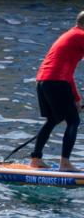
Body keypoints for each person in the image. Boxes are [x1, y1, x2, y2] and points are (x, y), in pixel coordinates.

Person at [29, 12, 84, 172]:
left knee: (53, 119)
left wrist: (76, 98)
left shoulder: (70, 35)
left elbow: (68, 73)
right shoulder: (80, 36)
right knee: (73, 121)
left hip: (43, 81)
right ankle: (65, 163)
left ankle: (36, 159)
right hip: (56, 81)